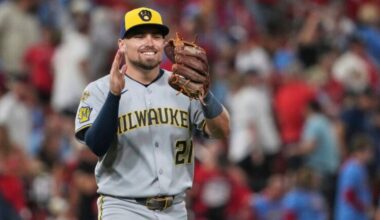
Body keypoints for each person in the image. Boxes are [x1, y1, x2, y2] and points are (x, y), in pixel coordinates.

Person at [74, 7, 230, 220]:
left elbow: (222, 131)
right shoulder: (99, 89)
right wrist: (114, 95)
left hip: (175, 208)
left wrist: (205, 94)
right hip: (123, 207)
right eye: (139, 36)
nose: (149, 42)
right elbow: (96, 145)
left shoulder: (185, 86)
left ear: (164, 43)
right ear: (122, 44)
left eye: (156, 36)